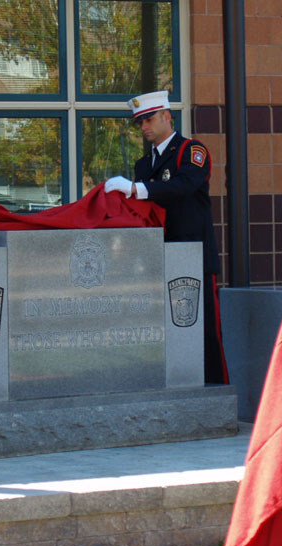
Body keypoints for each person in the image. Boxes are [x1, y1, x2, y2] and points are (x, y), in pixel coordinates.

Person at [104, 90, 228, 385]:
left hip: (192, 255)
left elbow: (183, 186)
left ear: (167, 116)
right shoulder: (143, 165)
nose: (144, 126)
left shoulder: (191, 151)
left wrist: (136, 189)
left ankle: (215, 393)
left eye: (149, 119)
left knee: (205, 331)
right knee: (167, 331)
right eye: (140, 122)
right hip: (158, 257)